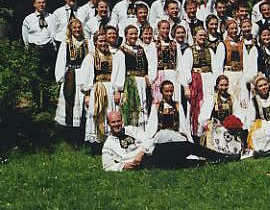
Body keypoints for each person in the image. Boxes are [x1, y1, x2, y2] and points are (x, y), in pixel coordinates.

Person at [102, 110, 235, 171]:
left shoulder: (131, 130)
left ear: (122, 121)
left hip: (154, 151)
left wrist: (141, 152)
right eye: (113, 122)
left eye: (118, 121)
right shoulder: (109, 145)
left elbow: (149, 139)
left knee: (187, 146)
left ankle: (221, 156)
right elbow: (107, 166)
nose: (117, 124)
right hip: (144, 163)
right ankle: (211, 162)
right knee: (181, 164)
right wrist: (123, 166)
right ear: (109, 124)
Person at [111, 25, 156, 131]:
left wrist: (146, 76)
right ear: (126, 35)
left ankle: (143, 132)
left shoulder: (141, 50)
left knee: (143, 107)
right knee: (130, 108)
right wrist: (117, 89)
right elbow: (118, 72)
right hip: (129, 84)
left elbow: (146, 66)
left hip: (141, 84)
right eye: (131, 34)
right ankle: (130, 131)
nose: (133, 36)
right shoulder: (121, 52)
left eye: (135, 34)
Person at [54, 18, 89, 146]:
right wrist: (60, 78)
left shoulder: (86, 43)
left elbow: (90, 60)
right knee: (70, 103)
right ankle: (69, 135)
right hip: (70, 76)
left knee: (82, 104)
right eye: (74, 28)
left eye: (79, 27)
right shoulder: (66, 43)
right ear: (70, 29)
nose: (77, 30)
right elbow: (61, 61)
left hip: (83, 75)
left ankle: (81, 134)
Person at [180, 27, 218, 141]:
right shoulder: (189, 51)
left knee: (208, 107)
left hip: (209, 81)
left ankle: (206, 136)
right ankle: (194, 136)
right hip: (196, 82)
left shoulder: (210, 50)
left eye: (204, 35)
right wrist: (186, 87)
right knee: (195, 109)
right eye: (200, 35)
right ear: (194, 37)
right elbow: (184, 69)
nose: (202, 37)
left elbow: (215, 68)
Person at [80, 30, 116, 151]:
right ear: (95, 42)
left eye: (105, 40)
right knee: (97, 112)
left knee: (109, 112)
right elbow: (86, 77)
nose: (103, 43)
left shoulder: (112, 55)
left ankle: (109, 142)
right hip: (97, 88)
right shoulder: (91, 57)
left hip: (109, 88)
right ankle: (96, 144)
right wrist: (87, 94)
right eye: (100, 41)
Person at [21, 0, 57, 108]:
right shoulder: (29, 19)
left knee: (47, 76)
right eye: (39, 3)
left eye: (43, 2)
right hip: (34, 49)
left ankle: (46, 103)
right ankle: (36, 102)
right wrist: (28, 49)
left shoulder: (51, 18)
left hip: (48, 49)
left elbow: (54, 33)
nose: (41, 5)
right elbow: (25, 35)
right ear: (34, 4)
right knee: (35, 77)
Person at [199, 75, 244, 154]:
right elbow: (204, 117)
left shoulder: (232, 98)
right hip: (216, 128)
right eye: (221, 85)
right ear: (217, 86)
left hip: (229, 127)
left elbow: (238, 113)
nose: (224, 87)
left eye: (226, 85)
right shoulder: (212, 98)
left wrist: (235, 123)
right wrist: (209, 124)